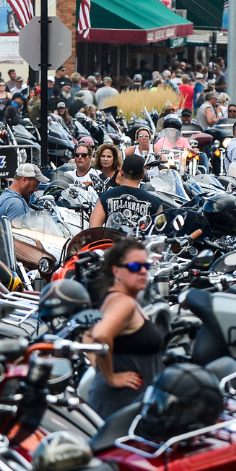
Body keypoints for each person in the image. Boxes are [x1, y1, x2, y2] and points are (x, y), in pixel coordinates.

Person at [87, 239, 165, 419]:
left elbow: (88, 334)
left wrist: (99, 367)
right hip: (120, 405)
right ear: (116, 271)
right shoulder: (125, 303)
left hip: (118, 402)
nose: (144, 271)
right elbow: (100, 334)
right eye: (134, 266)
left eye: (146, 265)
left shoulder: (114, 298)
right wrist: (110, 377)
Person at [89, 154, 167, 228]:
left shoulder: (104, 197)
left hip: (111, 241)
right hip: (139, 242)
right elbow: (158, 232)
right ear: (142, 175)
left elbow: (94, 229)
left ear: (121, 171)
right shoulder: (155, 203)